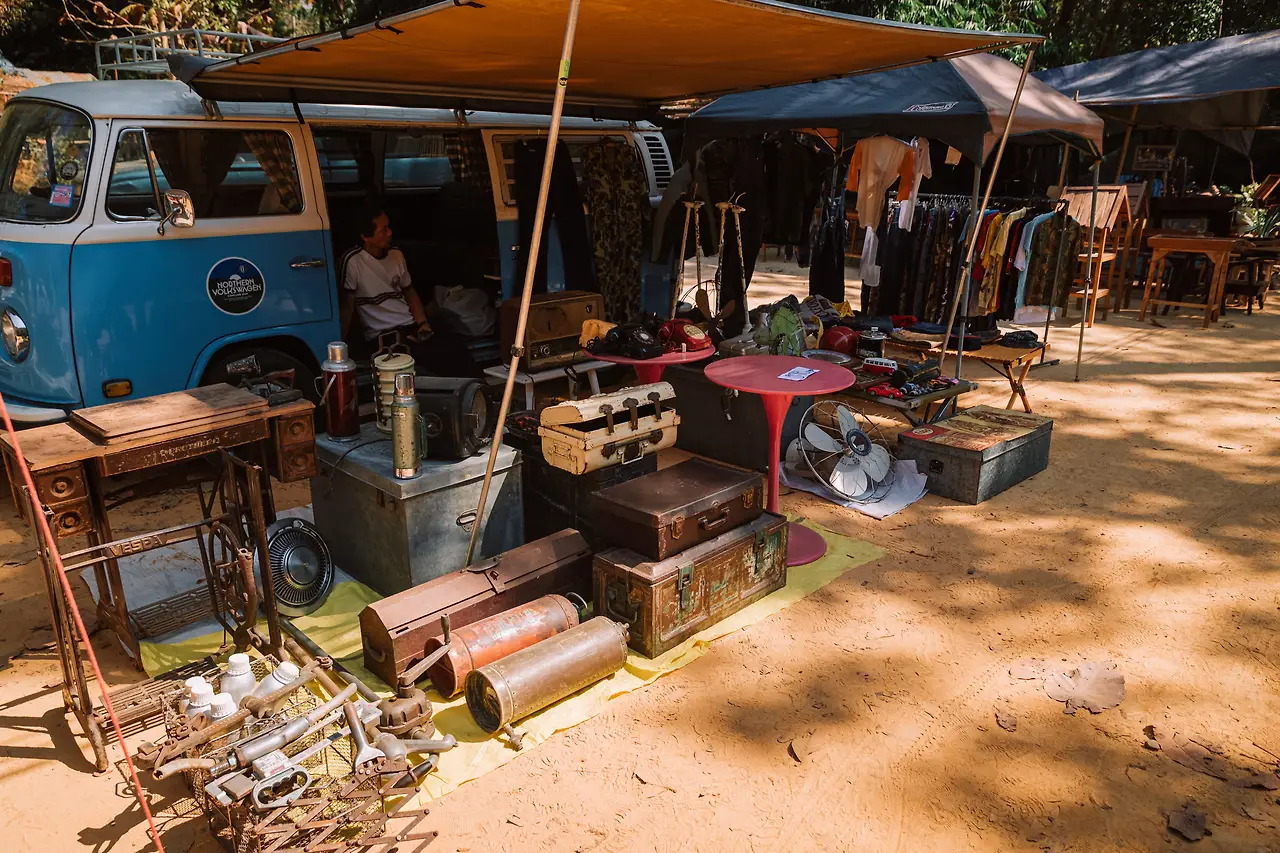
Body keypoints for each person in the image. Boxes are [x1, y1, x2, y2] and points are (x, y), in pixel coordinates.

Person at [339, 204, 480, 377]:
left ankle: (479, 388)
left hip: (410, 325)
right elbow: (347, 309)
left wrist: (423, 324)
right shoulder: (353, 261)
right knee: (436, 357)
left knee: (454, 345)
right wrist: (341, 348)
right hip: (384, 334)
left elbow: (410, 292)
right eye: (383, 230)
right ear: (365, 236)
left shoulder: (396, 255)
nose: (390, 233)